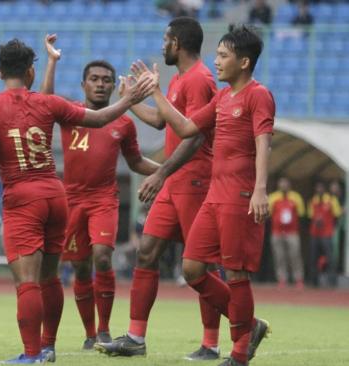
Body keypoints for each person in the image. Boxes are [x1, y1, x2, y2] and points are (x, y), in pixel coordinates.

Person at [0, 38, 156, 364]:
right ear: (31, 71)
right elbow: (100, 119)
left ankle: (32, 354)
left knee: (27, 281)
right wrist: (128, 99)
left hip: (22, 196)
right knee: (50, 277)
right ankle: (48, 347)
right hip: (57, 195)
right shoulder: (47, 104)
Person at [127, 24, 275, 366]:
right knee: (192, 269)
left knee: (236, 274)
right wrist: (156, 93)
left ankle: (238, 354)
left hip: (240, 195)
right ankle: (249, 326)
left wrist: (260, 189)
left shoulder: (258, 94)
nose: (217, 61)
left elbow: (263, 141)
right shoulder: (222, 97)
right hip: (213, 196)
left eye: (224, 55)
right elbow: (186, 128)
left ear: (244, 61)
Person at [95, 17, 220, 361]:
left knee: (201, 265)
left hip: (194, 179)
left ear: (177, 43)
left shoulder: (199, 79)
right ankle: (136, 337)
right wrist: (130, 99)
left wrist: (161, 172)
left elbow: (193, 137)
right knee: (146, 251)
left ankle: (213, 342)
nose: (162, 45)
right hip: (175, 179)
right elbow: (162, 121)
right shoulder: (180, 78)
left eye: (166, 39)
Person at [39, 35, 160, 350]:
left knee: (102, 258)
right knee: (80, 266)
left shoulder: (124, 123)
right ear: (83, 85)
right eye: (94, 79)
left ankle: (105, 331)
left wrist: (165, 171)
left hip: (104, 201)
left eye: (107, 80)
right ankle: (90, 334)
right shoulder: (71, 113)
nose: (101, 84)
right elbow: (44, 100)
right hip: (72, 201)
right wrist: (52, 61)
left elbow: (134, 162)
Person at [268, 177, 305, 289]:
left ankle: (298, 279)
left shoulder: (296, 197)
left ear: (289, 185)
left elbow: (302, 213)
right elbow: (268, 213)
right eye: (281, 184)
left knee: (295, 255)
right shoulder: (273, 197)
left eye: (285, 183)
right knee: (279, 256)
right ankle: (282, 279)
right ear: (279, 185)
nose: (283, 186)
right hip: (277, 232)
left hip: (292, 232)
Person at [307, 181, 342, 287]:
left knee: (330, 258)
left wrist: (331, 228)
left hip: (327, 234)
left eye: (321, 188)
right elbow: (310, 217)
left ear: (324, 189)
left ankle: (332, 281)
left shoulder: (332, 200)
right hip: (314, 234)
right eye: (317, 188)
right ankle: (314, 282)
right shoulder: (313, 201)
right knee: (313, 258)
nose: (319, 190)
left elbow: (337, 216)